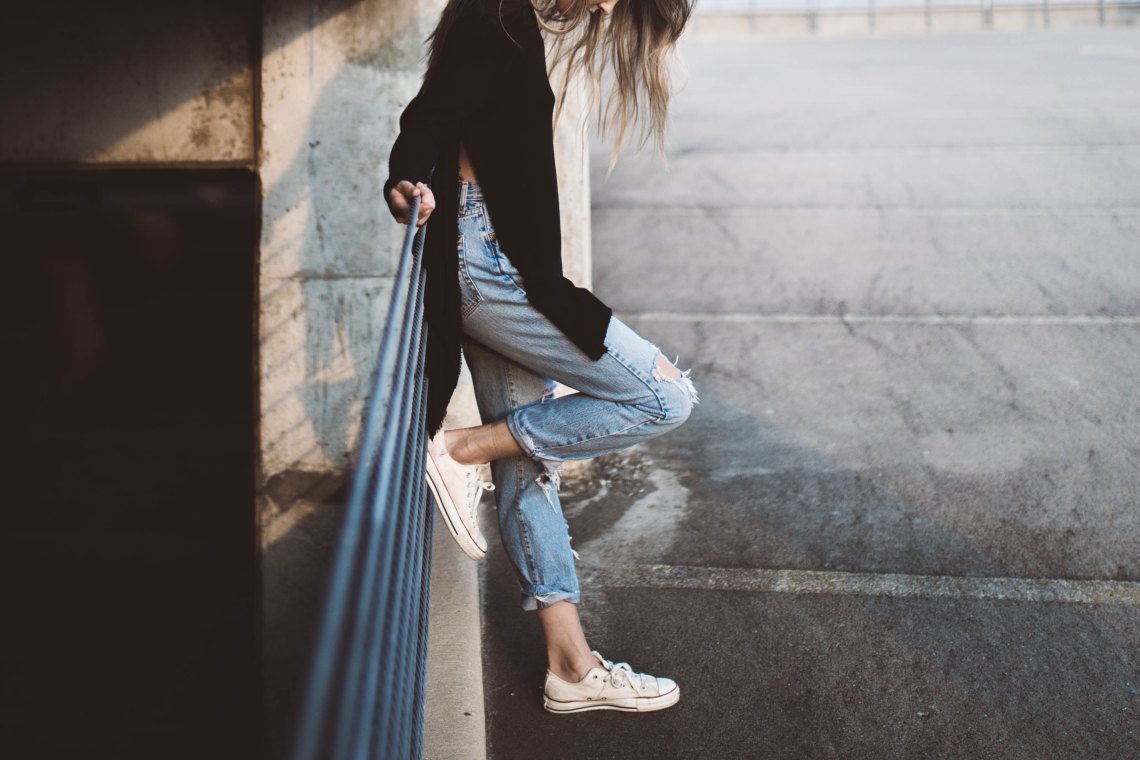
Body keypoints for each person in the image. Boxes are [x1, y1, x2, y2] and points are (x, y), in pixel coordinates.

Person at [383, 0, 697, 714]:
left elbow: (440, 115)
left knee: (525, 462)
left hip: (495, 262)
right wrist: (406, 178)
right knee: (664, 395)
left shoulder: (505, 17)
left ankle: (570, 665)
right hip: (491, 271)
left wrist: (412, 178)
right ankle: (460, 450)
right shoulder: (497, 14)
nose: (607, 8)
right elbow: (427, 115)